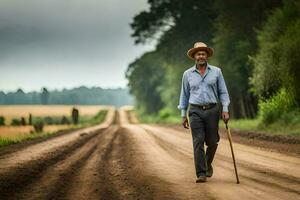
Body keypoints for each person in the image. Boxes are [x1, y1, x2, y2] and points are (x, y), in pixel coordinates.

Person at [178, 41, 230, 183]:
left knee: (213, 142)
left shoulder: (217, 72)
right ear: (194, 56)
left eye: (203, 53)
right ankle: (201, 173)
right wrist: (183, 114)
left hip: (213, 110)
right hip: (195, 110)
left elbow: (223, 92)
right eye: (198, 54)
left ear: (207, 56)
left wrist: (225, 109)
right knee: (198, 141)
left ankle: (207, 164)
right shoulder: (187, 74)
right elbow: (184, 95)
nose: (201, 56)